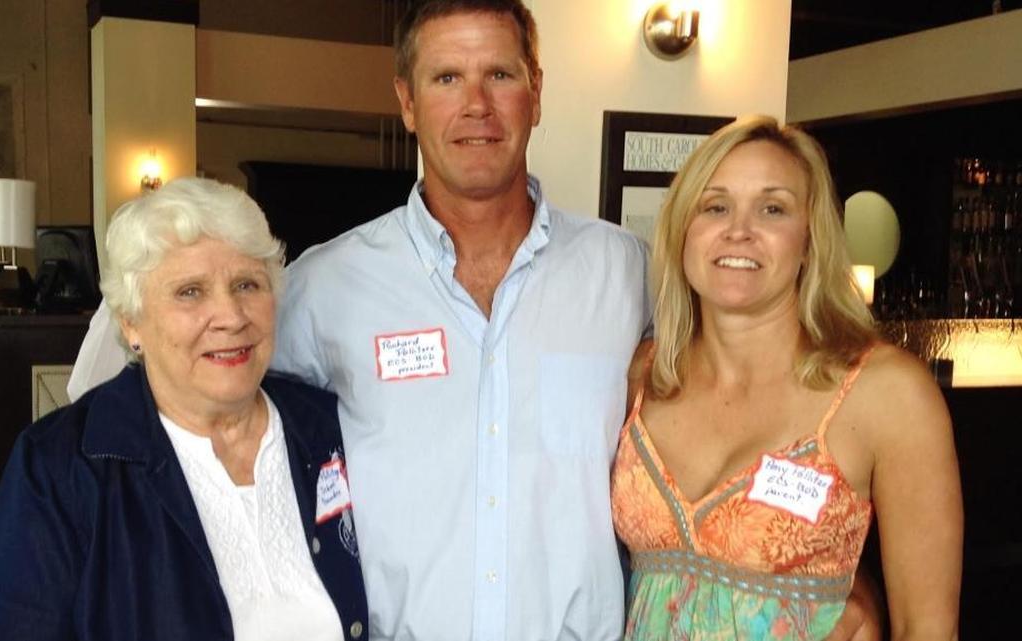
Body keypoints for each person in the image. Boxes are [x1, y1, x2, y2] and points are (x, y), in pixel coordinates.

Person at [66, 3, 882, 640]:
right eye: (447, 79)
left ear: (537, 90)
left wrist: (838, 579)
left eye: (500, 74)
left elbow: (766, 410)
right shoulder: (325, 283)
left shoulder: (631, 274)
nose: (478, 105)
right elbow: (170, 405)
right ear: (407, 102)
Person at [0, 178, 368, 641]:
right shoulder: (60, 469)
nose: (230, 315)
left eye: (248, 283)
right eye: (190, 291)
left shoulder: (327, 425)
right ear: (131, 320)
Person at [611, 115, 963, 640]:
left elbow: (928, 628)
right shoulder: (643, 374)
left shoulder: (884, 393)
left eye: (772, 208)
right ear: (683, 230)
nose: (739, 230)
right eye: (715, 206)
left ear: (809, 239)